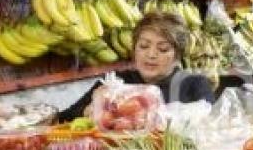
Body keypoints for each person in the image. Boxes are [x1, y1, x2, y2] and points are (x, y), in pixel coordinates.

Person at [58, 12, 214, 121]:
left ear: (177, 54)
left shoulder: (195, 85)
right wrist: (91, 109)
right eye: (144, 46)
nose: (151, 55)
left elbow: (212, 129)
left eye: (163, 49)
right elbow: (65, 117)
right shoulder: (116, 82)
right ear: (134, 49)